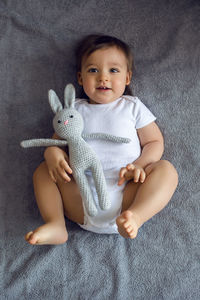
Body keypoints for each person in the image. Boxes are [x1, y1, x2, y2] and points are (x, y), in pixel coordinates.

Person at [25, 34, 178, 245]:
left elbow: (154, 142)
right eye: (93, 70)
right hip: (80, 194)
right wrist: (52, 154)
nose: (103, 77)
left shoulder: (132, 106)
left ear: (127, 77)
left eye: (113, 70)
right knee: (43, 171)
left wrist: (139, 166)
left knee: (166, 170)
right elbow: (57, 142)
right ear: (80, 78)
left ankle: (138, 216)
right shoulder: (74, 109)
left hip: (127, 195)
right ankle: (56, 223)